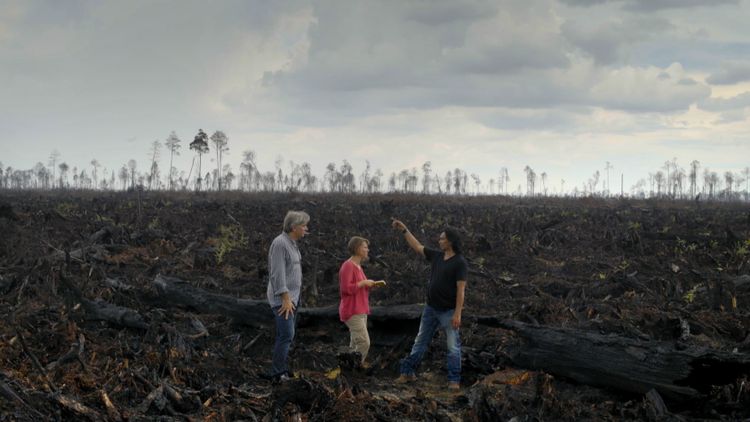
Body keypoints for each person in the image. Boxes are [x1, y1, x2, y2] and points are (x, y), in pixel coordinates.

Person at [391, 218, 467, 390]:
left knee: (453, 346)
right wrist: (404, 229)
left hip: (448, 312)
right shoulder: (437, 256)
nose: (439, 241)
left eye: (442, 238)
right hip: (431, 308)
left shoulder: (460, 262)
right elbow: (417, 246)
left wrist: (457, 313)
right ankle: (407, 372)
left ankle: (454, 380)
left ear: (450, 241)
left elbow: (461, 290)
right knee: (420, 341)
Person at [266, 210, 310, 382]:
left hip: (293, 297)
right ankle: (278, 374)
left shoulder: (292, 243)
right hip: (283, 300)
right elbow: (277, 273)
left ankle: (280, 369)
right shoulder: (280, 244)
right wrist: (285, 298)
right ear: (294, 227)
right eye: (304, 225)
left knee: (285, 335)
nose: (306, 229)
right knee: (286, 335)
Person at [338, 236, 386, 368]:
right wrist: (363, 282)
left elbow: (359, 287)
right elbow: (346, 289)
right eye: (365, 247)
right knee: (364, 342)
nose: (367, 250)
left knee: (355, 344)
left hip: (361, 310)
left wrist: (370, 285)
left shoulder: (358, 266)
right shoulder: (348, 266)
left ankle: (347, 369)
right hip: (352, 310)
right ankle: (355, 367)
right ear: (357, 248)